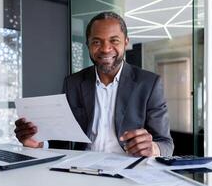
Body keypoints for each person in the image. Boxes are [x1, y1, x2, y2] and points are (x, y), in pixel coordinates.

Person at [14, 11, 174, 157]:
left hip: (129, 168)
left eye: (114, 40)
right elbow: (63, 139)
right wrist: (39, 143)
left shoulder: (149, 83)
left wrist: (152, 148)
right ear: (88, 45)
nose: (105, 49)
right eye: (97, 42)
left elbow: (166, 144)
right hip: (82, 168)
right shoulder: (73, 83)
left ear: (126, 42)